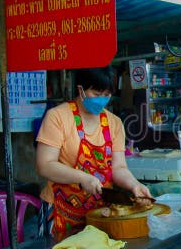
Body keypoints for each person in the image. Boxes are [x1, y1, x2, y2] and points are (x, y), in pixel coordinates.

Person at [36, 67, 153, 238]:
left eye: (107, 95)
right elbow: (44, 165)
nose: (102, 100)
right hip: (61, 211)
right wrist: (83, 178)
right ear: (80, 89)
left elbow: (118, 167)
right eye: (97, 94)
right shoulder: (58, 117)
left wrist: (134, 185)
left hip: (101, 213)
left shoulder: (114, 123)